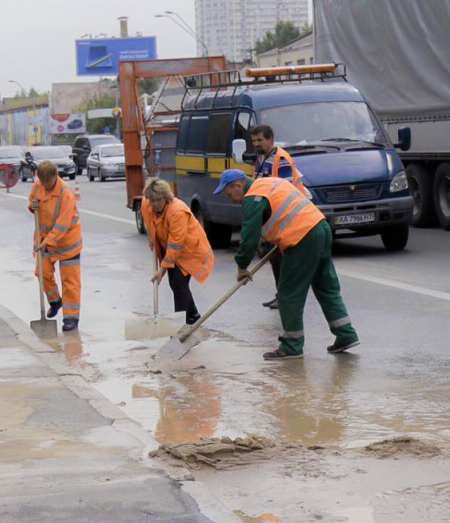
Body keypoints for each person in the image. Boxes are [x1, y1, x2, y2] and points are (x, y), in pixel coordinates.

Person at [214, 168, 359, 360]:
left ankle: (291, 346)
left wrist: (242, 267)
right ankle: (346, 335)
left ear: (238, 185)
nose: (231, 199)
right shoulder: (271, 183)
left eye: (229, 194)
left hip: (302, 238)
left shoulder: (253, 198)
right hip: (320, 228)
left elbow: (249, 239)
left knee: (288, 293)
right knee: (326, 287)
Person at [250, 124, 310, 310]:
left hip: (286, 217)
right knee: (275, 258)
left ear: (270, 139)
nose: (256, 144)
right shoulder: (261, 158)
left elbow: (286, 192)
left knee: (281, 259)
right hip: (273, 217)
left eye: (260, 140)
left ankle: (285, 296)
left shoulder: (280, 159)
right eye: (253, 141)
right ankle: (280, 294)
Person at [141, 178, 214, 325]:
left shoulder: (177, 211)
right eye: (152, 200)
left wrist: (161, 271)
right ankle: (193, 315)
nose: (155, 204)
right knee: (175, 284)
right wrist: (151, 238)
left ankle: (180, 326)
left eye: (159, 200)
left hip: (190, 250)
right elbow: (149, 222)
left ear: (166, 197)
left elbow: (175, 245)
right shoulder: (146, 204)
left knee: (179, 283)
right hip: (173, 250)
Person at [28, 160, 82, 331]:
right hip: (44, 241)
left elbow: (62, 223)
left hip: (67, 243)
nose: (45, 185)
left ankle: (71, 319)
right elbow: (32, 203)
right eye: (42, 182)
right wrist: (32, 205)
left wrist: (47, 242)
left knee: (70, 282)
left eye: (48, 182)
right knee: (41, 272)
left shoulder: (65, 193)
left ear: (55, 176)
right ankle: (55, 301)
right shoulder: (37, 187)